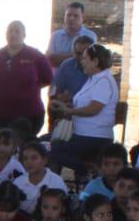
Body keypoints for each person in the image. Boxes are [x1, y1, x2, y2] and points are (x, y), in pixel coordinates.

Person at [51, 43, 118, 177]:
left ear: (95, 61)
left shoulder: (103, 81)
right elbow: (83, 104)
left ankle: (87, 170)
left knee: (52, 149)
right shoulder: (93, 78)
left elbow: (94, 109)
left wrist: (70, 111)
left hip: (94, 138)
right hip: (83, 135)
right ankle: (85, 172)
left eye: (85, 59)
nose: (82, 62)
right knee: (47, 143)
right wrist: (67, 106)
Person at [0, 21, 53, 137]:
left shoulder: (36, 56)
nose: (13, 34)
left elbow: (47, 78)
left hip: (28, 116)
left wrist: (27, 89)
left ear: (24, 35)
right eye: (10, 31)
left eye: (17, 31)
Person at [13, 142, 66, 214]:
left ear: (45, 160)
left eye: (34, 158)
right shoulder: (18, 183)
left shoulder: (56, 182)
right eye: (25, 159)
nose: (29, 162)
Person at [47, 2, 97, 67]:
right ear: (64, 16)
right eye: (68, 15)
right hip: (58, 76)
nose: (71, 18)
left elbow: (88, 61)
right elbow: (50, 60)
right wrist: (76, 55)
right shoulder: (55, 35)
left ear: (83, 18)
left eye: (76, 16)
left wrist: (58, 57)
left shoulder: (90, 36)